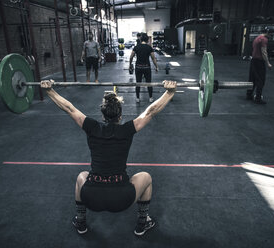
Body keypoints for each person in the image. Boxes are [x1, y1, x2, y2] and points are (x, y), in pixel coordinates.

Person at [40, 79, 177, 236]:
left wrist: (50, 91)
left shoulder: (91, 127)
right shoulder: (127, 130)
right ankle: (142, 222)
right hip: (122, 198)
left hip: (91, 197)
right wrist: (169, 92)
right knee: (146, 177)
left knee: (81, 176)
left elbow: (69, 108)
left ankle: (81, 220)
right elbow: (151, 111)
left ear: (103, 115)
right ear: (120, 116)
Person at [247, 27, 274, 104]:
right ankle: (258, 98)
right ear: (269, 33)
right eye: (271, 34)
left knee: (252, 79)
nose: (271, 36)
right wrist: (268, 63)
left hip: (253, 61)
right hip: (259, 62)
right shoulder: (264, 39)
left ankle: (248, 95)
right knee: (261, 80)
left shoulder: (257, 38)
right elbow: (264, 52)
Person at [129, 33, 159, 103]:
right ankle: (151, 97)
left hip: (138, 67)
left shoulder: (136, 47)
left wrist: (130, 65)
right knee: (149, 83)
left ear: (140, 39)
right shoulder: (149, 47)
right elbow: (153, 58)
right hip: (147, 68)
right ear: (147, 40)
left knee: (138, 83)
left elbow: (131, 57)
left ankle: (137, 98)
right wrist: (156, 66)